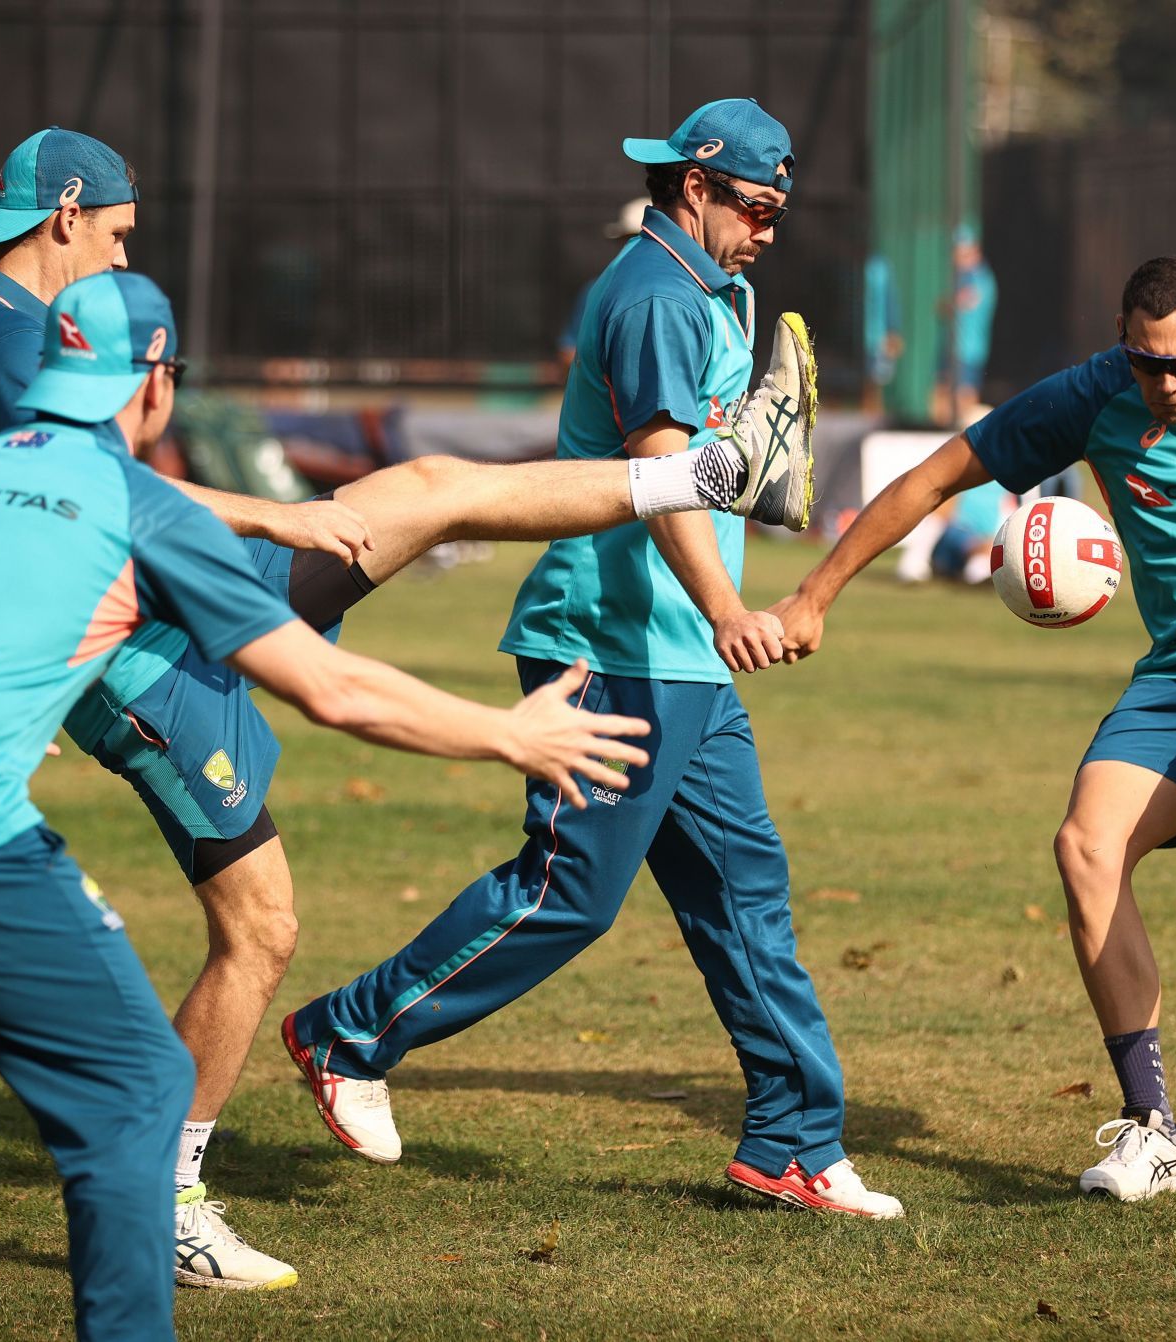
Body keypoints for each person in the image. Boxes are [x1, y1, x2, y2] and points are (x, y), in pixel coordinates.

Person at [0, 126, 804, 1289]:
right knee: (258, 927)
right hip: (144, 662)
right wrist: (291, 527)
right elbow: (131, 510)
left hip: (86, 650)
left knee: (429, 491)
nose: (115, 255)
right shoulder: (12, 346)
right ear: (67, 222)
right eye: (114, 237)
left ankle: (696, 476)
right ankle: (173, 1192)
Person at [0, 271, 657, 1341]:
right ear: (154, 384)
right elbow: (330, 688)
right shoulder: (136, 498)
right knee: (137, 1094)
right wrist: (509, 732)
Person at [283, 97, 903, 1220]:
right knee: (569, 891)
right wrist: (727, 606)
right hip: (617, 640)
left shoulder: (720, 285)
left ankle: (793, 1144)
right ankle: (348, 1032)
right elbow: (661, 474)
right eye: (755, 207)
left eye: (779, 212)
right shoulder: (656, 295)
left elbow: (710, 472)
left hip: (679, 660)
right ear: (697, 187)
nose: (769, 230)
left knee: (743, 894)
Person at [768, 255, 1176, 1203]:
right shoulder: (1091, 398)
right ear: (1121, 346)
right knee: (1085, 846)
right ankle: (1154, 1129)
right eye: (1145, 363)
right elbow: (934, 478)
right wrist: (816, 592)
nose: (1165, 383)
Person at [558, 196, 650, 371]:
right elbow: (568, 352)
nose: (631, 247)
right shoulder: (596, 290)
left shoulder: (686, 293)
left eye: (641, 239)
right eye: (627, 239)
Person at [932, 224, 997, 427]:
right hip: (952, 350)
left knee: (964, 402)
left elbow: (957, 304)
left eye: (961, 252)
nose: (956, 257)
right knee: (940, 400)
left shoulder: (981, 279)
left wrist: (949, 304)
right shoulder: (961, 279)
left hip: (968, 352)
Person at [862, 251, 903, 415]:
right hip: (873, 337)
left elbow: (890, 304)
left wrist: (892, 331)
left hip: (877, 337)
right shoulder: (875, 270)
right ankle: (871, 413)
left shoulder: (881, 270)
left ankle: (876, 413)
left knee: (878, 378)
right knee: (874, 379)